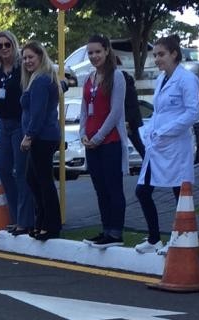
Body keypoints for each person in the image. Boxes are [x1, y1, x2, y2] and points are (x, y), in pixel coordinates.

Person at [134, 36, 199, 254]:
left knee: (179, 193)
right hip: (157, 145)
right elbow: (159, 112)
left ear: (174, 53)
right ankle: (154, 238)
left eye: (161, 54)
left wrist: (165, 130)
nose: (157, 59)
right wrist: (148, 131)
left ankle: (180, 238)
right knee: (142, 191)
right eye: (155, 55)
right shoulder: (160, 80)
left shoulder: (186, 79)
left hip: (176, 145)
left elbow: (193, 112)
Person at [79, 35, 129, 248]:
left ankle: (116, 232)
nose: (94, 56)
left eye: (97, 52)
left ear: (107, 51)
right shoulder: (89, 78)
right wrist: (83, 133)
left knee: (113, 187)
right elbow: (83, 110)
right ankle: (106, 228)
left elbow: (116, 111)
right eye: (90, 53)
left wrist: (98, 137)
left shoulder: (116, 77)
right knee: (100, 188)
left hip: (109, 141)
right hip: (91, 143)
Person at [0, 30, 34, 234]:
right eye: (0, 46)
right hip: (4, 125)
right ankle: (17, 217)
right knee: (3, 170)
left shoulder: (22, 68)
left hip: (20, 124)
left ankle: (25, 220)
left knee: (21, 173)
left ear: (14, 45)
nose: (4, 48)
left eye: (7, 44)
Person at [19, 41, 63, 241]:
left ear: (40, 57)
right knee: (33, 179)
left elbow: (38, 113)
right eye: (25, 58)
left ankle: (51, 225)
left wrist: (29, 136)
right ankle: (41, 221)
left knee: (43, 181)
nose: (27, 61)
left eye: (31, 57)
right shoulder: (37, 79)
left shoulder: (41, 81)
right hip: (42, 136)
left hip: (42, 137)